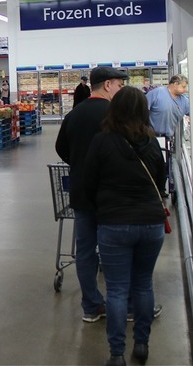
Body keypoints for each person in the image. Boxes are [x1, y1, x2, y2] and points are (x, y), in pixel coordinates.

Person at [83, 86, 167, 366]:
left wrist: (102, 208)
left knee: (117, 290)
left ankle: (117, 354)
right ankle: (141, 345)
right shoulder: (152, 142)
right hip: (151, 223)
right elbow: (161, 180)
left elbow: (89, 182)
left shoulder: (101, 141)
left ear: (113, 109)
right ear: (144, 111)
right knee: (143, 284)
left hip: (114, 224)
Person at [55, 66, 128, 323]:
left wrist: (78, 163)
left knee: (85, 250)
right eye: (119, 85)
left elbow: (60, 147)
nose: (121, 90)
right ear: (107, 85)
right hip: (112, 194)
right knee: (117, 250)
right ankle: (125, 306)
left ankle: (91, 306)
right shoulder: (117, 114)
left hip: (82, 192)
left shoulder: (74, 114)